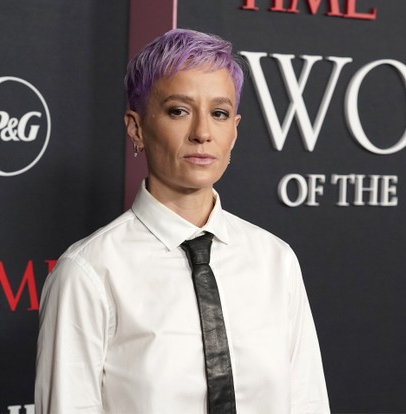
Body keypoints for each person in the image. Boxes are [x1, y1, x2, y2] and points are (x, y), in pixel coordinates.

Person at [35, 28, 331, 413]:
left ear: (234, 131)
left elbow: (307, 402)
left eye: (219, 113)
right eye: (179, 111)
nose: (202, 133)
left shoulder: (276, 261)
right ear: (136, 127)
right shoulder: (89, 272)